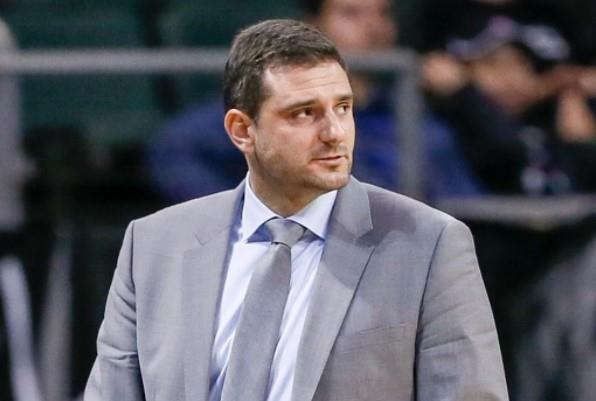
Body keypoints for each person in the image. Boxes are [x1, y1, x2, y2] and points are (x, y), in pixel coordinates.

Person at [85, 19, 508, 401]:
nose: (334, 132)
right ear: (241, 130)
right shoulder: (153, 244)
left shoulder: (429, 243)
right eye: (304, 113)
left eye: (343, 108)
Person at [146, 0, 481, 204]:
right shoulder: (269, 106)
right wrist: (256, 219)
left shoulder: (412, 119)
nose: (374, 28)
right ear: (312, 26)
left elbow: (466, 209)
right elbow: (175, 150)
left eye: (383, 13)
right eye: (352, 13)